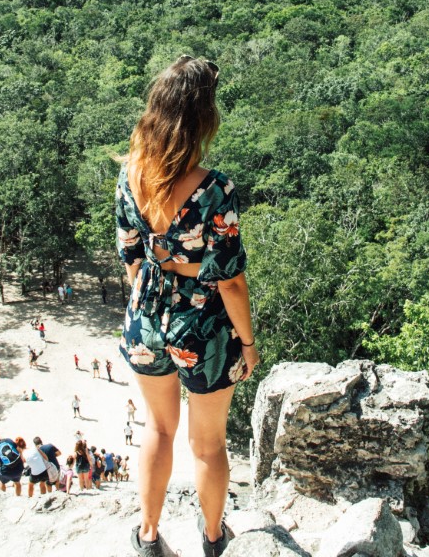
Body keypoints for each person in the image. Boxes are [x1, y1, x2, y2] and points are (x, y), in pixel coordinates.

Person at [115, 56, 259, 557]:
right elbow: (231, 280)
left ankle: (149, 535)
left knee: (157, 428)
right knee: (208, 444)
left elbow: (132, 256)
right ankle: (214, 538)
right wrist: (247, 343)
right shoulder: (214, 188)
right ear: (203, 117)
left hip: (146, 321)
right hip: (205, 332)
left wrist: (158, 285)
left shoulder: (132, 173)